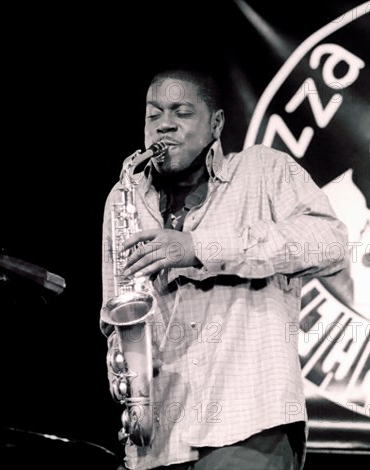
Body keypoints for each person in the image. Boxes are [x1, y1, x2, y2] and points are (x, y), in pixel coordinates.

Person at [100, 67, 348, 470]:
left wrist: (198, 247)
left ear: (215, 123)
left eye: (182, 113)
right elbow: (117, 307)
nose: (164, 125)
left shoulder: (265, 170)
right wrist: (125, 372)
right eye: (154, 114)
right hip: (156, 438)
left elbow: (329, 243)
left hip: (249, 422)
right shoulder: (123, 197)